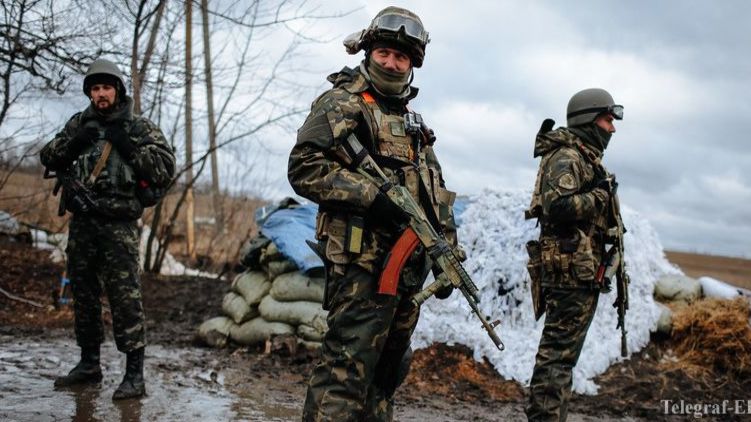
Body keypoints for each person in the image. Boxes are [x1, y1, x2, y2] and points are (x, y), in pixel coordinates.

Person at [288, 6, 461, 421]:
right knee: (345, 372)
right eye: (384, 52)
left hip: (407, 270)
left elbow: (434, 193)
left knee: (387, 372)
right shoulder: (343, 102)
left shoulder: (412, 121)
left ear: (412, 64)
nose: (391, 63)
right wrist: (371, 196)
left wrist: (448, 253)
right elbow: (304, 167)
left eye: (401, 57)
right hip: (362, 264)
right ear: (369, 52)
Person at [40, 58, 175, 400]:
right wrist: (74, 144)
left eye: (106, 88)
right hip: (83, 224)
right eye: (95, 88)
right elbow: (47, 156)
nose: (101, 94)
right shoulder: (79, 124)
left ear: (118, 90)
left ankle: (134, 375)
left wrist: (128, 146)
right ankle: (89, 364)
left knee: (125, 298)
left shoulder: (139, 127)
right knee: (84, 295)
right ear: (90, 93)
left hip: (119, 226)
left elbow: (163, 170)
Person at [524, 88, 624, 421]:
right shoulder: (567, 156)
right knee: (557, 358)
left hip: (579, 271)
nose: (612, 128)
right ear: (588, 119)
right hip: (568, 272)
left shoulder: (584, 157)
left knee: (562, 360)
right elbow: (558, 206)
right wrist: (600, 194)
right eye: (607, 120)